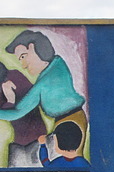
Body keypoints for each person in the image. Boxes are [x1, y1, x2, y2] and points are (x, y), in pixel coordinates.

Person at [0, 30, 88, 159]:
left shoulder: (46, 80)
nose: (23, 65)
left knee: (67, 166)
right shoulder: (57, 65)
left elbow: (18, 112)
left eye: (23, 57)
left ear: (33, 47)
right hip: (70, 120)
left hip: (70, 123)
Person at [0, 60, 47, 147]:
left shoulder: (14, 75)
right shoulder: (14, 74)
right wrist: (10, 100)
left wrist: (10, 100)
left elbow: (33, 96)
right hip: (21, 137)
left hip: (35, 133)